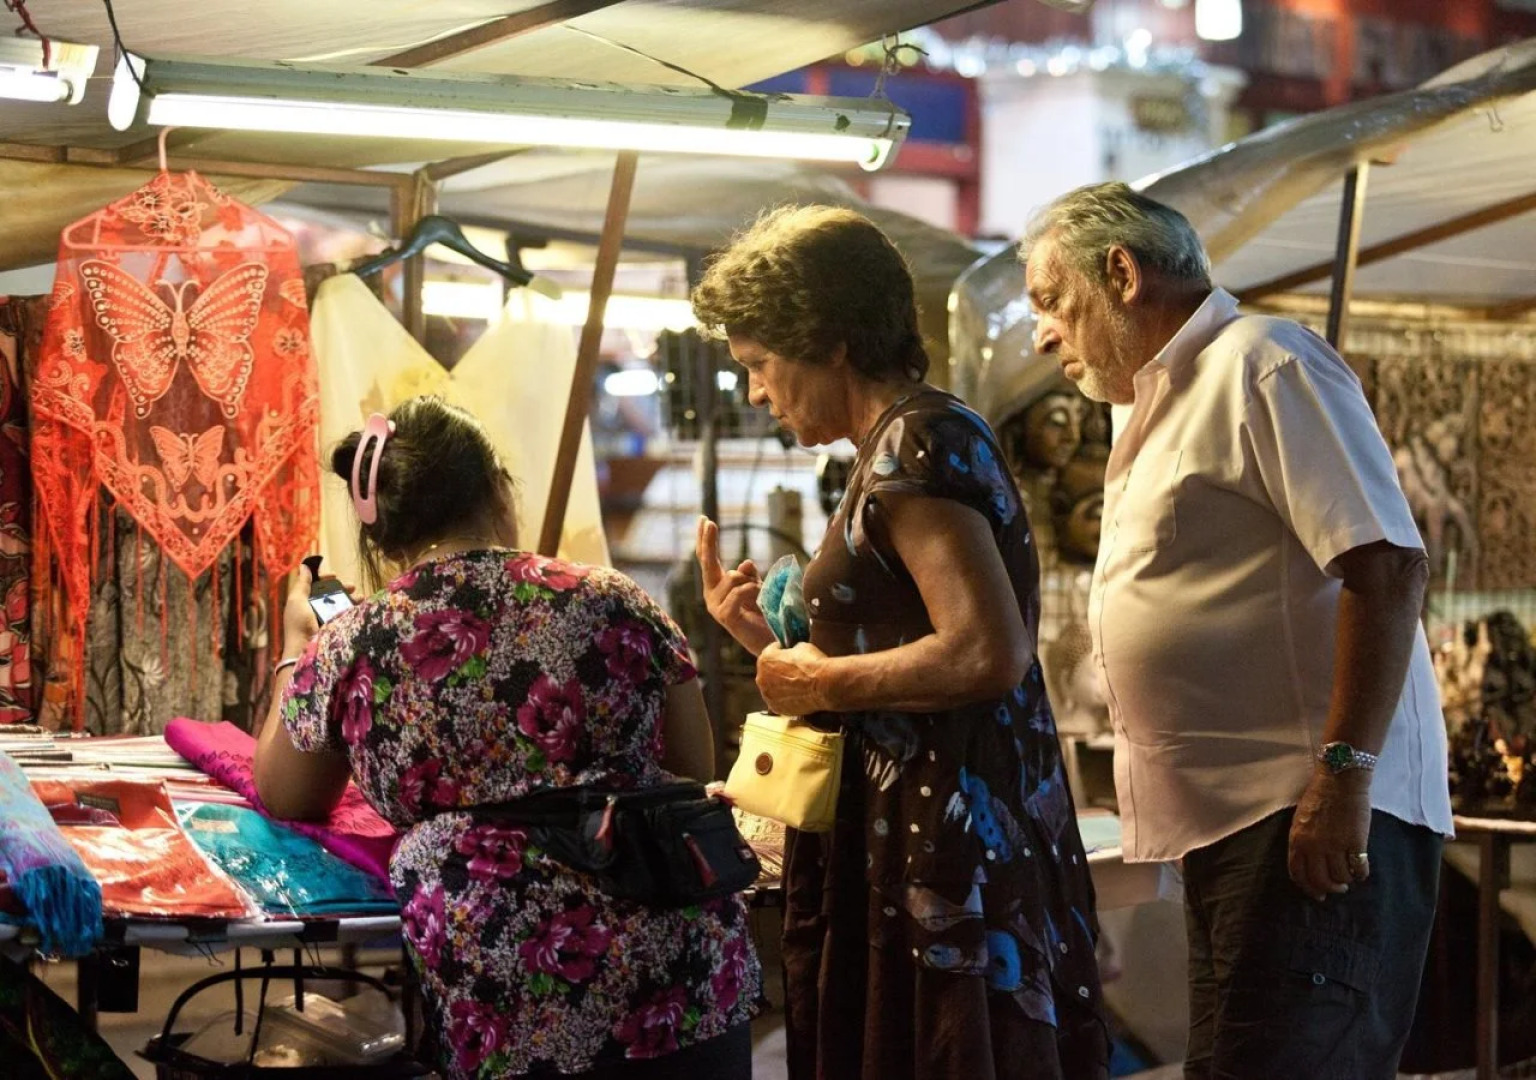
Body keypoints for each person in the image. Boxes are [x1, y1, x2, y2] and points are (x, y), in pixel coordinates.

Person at [1020, 181, 1453, 1079]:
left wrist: (1343, 776)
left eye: (1052, 303)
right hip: (1243, 830)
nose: (1042, 334)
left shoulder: (1263, 363)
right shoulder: (1158, 405)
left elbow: (1387, 566)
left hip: (1311, 818)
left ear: (1122, 274)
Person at [691, 205, 1109, 1080]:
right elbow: (912, 644)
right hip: (922, 833)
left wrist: (821, 687)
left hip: (947, 848)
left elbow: (984, 653)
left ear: (828, 339)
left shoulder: (919, 442)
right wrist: (770, 643)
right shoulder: (899, 444)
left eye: (761, 365)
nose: (758, 392)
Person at [253, 396, 759, 1080]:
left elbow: (286, 793)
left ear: (385, 533)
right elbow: (690, 771)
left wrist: (295, 650)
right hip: (683, 982)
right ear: (497, 487)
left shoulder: (354, 640)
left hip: (504, 991)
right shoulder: (617, 600)